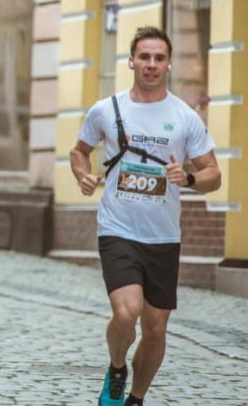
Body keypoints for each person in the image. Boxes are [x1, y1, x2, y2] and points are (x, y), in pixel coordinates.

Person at [70, 26, 221, 406]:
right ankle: (117, 368)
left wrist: (186, 178)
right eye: (144, 57)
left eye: (158, 58)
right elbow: (79, 150)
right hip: (118, 229)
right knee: (127, 313)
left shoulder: (184, 117)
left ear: (168, 64)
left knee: (155, 329)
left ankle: (135, 398)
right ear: (131, 61)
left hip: (163, 236)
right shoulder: (106, 109)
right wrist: (82, 175)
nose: (150, 64)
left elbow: (213, 175)